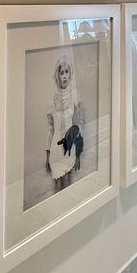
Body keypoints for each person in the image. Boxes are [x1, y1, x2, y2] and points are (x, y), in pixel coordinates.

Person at [45, 56, 86, 193]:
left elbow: (80, 124)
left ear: (70, 73)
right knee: (57, 188)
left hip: (69, 148)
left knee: (68, 186)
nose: (64, 76)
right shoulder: (51, 100)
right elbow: (50, 130)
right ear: (57, 75)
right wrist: (47, 156)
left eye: (66, 72)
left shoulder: (75, 95)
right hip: (55, 151)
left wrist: (78, 151)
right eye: (61, 72)